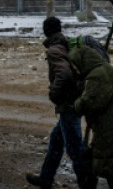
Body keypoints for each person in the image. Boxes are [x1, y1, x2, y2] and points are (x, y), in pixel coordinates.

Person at [26, 16, 92, 189]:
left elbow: (64, 73)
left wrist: (54, 93)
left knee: (74, 148)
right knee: (57, 140)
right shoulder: (66, 44)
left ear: (46, 31)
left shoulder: (54, 50)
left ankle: (86, 184)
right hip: (74, 100)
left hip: (68, 104)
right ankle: (46, 179)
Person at [69, 42, 113, 189]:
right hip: (110, 123)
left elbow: (90, 103)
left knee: (107, 162)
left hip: (110, 126)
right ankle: (89, 184)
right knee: (100, 159)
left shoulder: (98, 75)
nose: (76, 71)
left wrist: (76, 104)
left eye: (76, 66)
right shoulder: (101, 71)